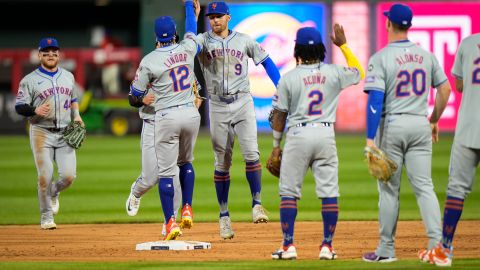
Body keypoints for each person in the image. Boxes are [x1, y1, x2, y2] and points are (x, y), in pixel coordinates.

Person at [361, 3, 452, 263]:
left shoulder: (381, 58)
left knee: (389, 190)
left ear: (389, 24)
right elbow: (445, 91)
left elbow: (375, 100)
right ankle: (438, 248)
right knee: (425, 187)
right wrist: (433, 119)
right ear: (409, 25)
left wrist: (370, 138)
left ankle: (386, 250)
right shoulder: (426, 55)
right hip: (420, 124)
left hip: (393, 126)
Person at [269, 25, 364, 260]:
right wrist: (343, 45)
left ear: (296, 49)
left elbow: (279, 117)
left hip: (298, 136)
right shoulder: (334, 73)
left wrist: (275, 146)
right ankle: (327, 246)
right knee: (329, 192)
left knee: (289, 193)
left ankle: (288, 246)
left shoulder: (289, 78)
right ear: (322, 48)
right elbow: (359, 72)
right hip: (325, 135)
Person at [194, 1, 281, 240]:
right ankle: (224, 217)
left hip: (242, 101)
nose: (215, 20)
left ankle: (257, 204)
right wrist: (191, 15)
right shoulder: (202, 40)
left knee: (252, 154)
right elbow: (189, 45)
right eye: (211, 17)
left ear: (228, 17)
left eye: (219, 16)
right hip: (218, 106)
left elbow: (267, 61)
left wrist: (281, 87)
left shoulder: (244, 40)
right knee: (222, 163)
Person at [129, 0, 201, 240]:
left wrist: (140, 98)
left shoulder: (149, 60)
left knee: (169, 174)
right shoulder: (187, 49)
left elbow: (132, 96)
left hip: (165, 119)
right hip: (175, 118)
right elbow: (192, 31)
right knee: (153, 176)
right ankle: (141, 194)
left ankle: (168, 223)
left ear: (155, 36)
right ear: (175, 33)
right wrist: (190, 8)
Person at [423, 33, 480, 267]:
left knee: (457, 190)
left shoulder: (468, 43)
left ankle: (444, 249)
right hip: (468, 126)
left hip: (469, 126)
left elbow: (457, 84)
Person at [15, 38, 84, 229]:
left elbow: (73, 98)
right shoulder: (29, 80)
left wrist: (77, 115)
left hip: (65, 132)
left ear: (59, 55)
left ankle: (54, 192)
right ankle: (46, 217)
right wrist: (34, 110)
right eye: (46, 52)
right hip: (41, 132)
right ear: (39, 55)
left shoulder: (68, 76)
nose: (51, 55)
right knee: (45, 175)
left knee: (69, 176)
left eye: (54, 52)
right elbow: (19, 107)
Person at [125, 86, 183, 236]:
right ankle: (136, 192)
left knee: (174, 175)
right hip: (152, 124)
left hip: (172, 124)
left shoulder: (178, 65)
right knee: (150, 178)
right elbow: (131, 98)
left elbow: (196, 91)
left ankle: (170, 222)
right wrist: (141, 100)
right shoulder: (147, 67)